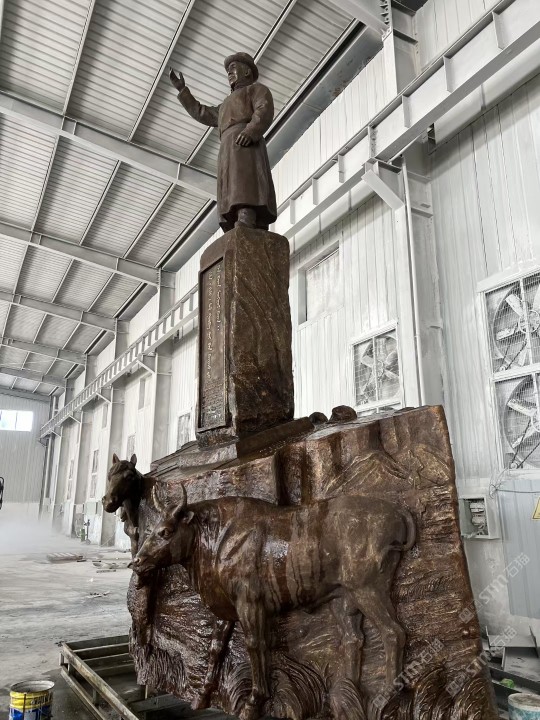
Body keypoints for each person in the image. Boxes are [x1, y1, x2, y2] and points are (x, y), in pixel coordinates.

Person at [170, 52, 277, 232]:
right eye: (228, 70)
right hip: (227, 148)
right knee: (230, 185)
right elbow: (202, 112)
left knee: (245, 180)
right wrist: (183, 91)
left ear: (247, 72)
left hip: (245, 143)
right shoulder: (225, 105)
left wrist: (250, 131)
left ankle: (247, 215)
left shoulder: (256, 90)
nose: (229, 73)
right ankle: (234, 218)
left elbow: (264, 110)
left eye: (233, 68)